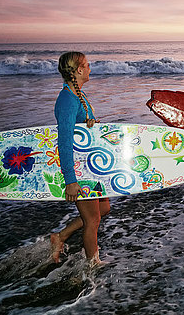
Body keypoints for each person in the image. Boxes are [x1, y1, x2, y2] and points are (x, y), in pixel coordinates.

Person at [50, 52, 110, 264]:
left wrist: (92, 125)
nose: (90, 68)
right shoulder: (67, 99)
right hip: (78, 169)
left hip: (90, 165)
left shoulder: (78, 95)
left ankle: (61, 236)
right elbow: (64, 140)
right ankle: (93, 266)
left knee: (104, 208)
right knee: (92, 219)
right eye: (87, 65)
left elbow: (81, 129)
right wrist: (70, 180)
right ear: (78, 70)